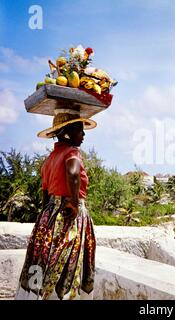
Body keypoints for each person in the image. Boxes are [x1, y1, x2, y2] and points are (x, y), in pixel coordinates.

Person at [15, 109, 97, 300]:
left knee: (43, 260)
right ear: (67, 133)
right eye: (79, 129)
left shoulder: (49, 160)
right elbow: (73, 172)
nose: (83, 134)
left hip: (50, 214)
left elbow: (45, 193)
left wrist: (48, 218)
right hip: (69, 214)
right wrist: (75, 204)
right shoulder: (72, 152)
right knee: (68, 262)